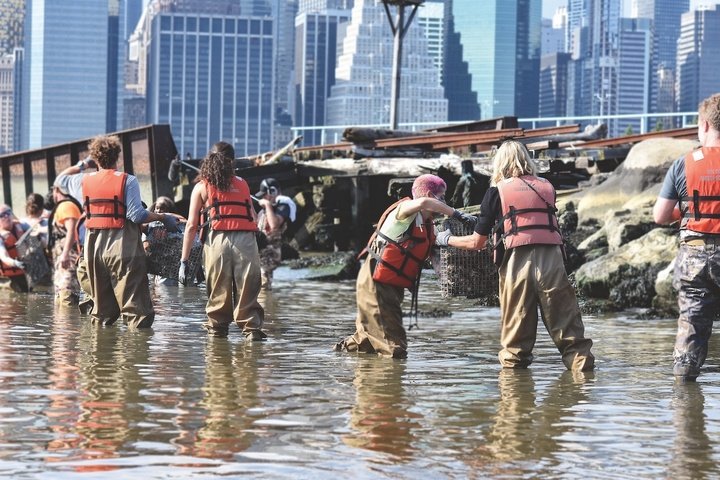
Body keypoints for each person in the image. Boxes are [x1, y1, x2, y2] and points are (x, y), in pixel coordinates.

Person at [436, 140, 594, 372]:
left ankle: (515, 398)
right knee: (571, 336)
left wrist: (445, 239)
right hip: (553, 264)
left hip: (516, 265)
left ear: (499, 163)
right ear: (527, 160)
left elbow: (477, 242)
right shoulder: (547, 187)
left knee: (515, 344)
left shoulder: (496, 192)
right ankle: (582, 390)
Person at [334, 174, 476, 359]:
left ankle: (337, 363)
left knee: (366, 340)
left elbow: (443, 240)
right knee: (394, 347)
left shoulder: (427, 224)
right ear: (429, 194)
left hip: (391, 284)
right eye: (441, 197)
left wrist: (475, 240)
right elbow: (424, 202)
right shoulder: (404, 211)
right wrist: (457, 214)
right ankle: (390, 385)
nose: (445, 201)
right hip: (375, 280)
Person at [653, 93, 720, 382]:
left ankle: (686, 409)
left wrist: (692, 211)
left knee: (691, 331)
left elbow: (660, 216)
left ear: (704, 125)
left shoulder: (683, 164)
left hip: (696, 256)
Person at [79, 135, 178, 328]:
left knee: (101, 313)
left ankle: (99, 355)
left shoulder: (84, 181)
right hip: (122, 247)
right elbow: (137, 216)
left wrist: (83, 164)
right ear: (117, 156)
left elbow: (61, 180)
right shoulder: (128, 180)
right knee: (137, 313)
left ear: (95, 158)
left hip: (92, 250)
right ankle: (135, 356)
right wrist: (163, 217)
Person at [179, 141, 266, 340]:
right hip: (246, 241)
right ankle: (251, 331)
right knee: (247, 288)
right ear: (233, 161)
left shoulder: (201, 187)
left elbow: (191, 225)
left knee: (218, 292)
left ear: (208, 159)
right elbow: (253, 217)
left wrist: (184, 261)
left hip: (217, 241)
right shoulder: (243, 183)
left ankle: (218, 333)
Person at [255, 177, 296, 289]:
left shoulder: (284, 206)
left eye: (265, 194)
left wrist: (268, 205)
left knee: (264, 289)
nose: (263, 197)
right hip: (259, 256)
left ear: (273, 191)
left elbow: (274, 225)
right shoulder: (263, 211)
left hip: (272, 255)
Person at [47, 181, 84, 306]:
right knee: (61, 299)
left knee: (67, 297)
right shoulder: (66, 206)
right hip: (64, 263)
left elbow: (72, 231)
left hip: (68, 261)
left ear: (57, 190)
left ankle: (68, 325)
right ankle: (63, 324)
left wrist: (65, 254)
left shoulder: (66, 206)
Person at [0, 205, 29, 292]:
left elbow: (35, 231)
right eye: (1, 215)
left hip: (25, 270)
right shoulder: (1, 237)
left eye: (8, 212)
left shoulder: (21, 226)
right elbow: (4, 257)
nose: (6, 216)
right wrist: (15, 263)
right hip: (9, 277)